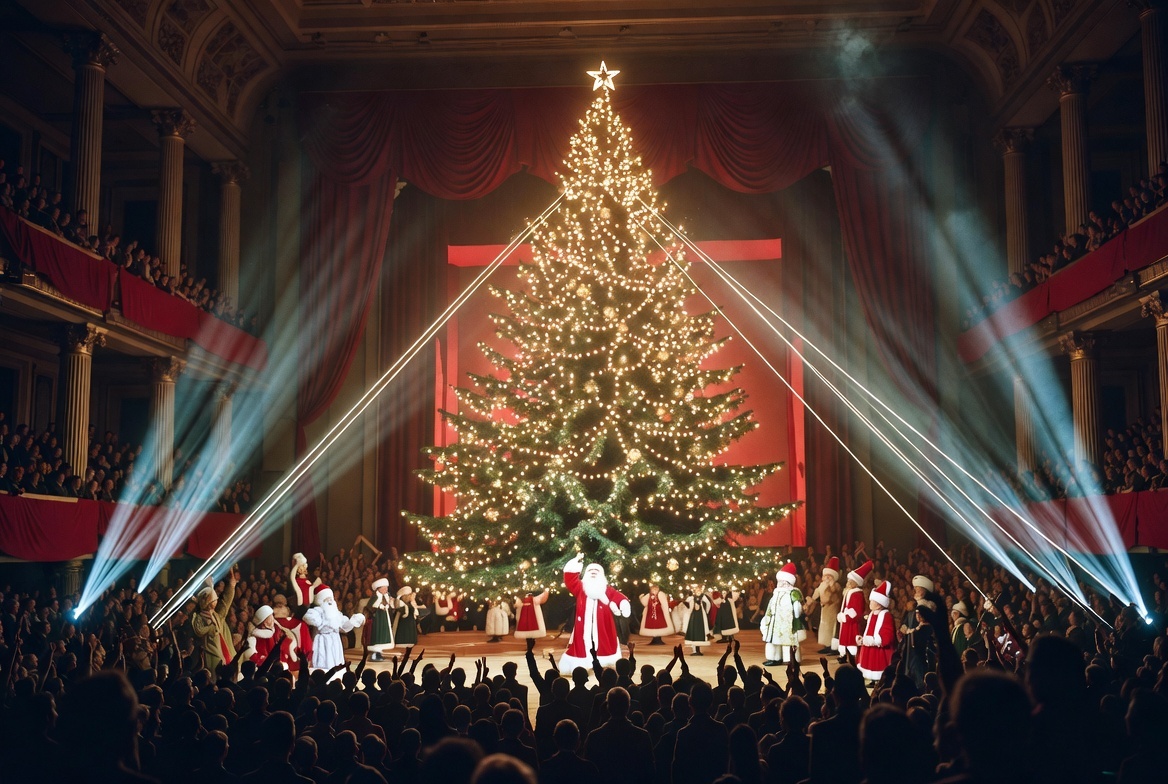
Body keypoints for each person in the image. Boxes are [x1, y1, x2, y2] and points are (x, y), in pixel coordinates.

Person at [557, 553, 631, 673]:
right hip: (583, 626)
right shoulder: (580, 588)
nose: (593, 572)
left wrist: (623, 603)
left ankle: (604, 661)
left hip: (603, 625)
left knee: (603, 643)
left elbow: (617, 596)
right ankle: (582, 662)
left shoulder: (606, 589)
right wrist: (576, 562)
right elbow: (570, 579)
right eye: (590, 570)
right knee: (582, 643)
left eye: (596, 571)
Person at [303, 587, 365, 673]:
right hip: (323, 641)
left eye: (331, 598)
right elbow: (311, 620)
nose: (330, 601)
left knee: (336, 664)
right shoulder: (316, 611)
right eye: (327, 599)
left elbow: (343, 626)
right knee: (323, 663)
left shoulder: (336, 613)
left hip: (335, 641)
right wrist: (327, 622)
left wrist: (354, 621)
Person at [192, 568, 237, 675]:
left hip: (223, 649)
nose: (215, 602)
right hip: (210, 652)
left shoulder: (217, 615)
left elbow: (226, 602)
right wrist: (210, 627)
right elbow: (199, 631)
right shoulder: (199, 617)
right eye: (213, 600)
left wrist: (231, 585)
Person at [760, 563, 805, 666]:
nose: (781, 584)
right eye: (780, 581)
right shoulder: (776, 594)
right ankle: (774, 658)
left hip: (788, 623)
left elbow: (797, 605)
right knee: (773, 641)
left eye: (783, 582)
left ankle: (791, 659)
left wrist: (797, 610)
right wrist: (766, 619)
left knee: (788, 641)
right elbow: (770, 607)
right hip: (775, 623)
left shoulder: (793, 593)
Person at [856, 580, 895, 683]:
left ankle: (879, 680)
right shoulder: (872, 614)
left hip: (879, 648)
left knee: (879, 665)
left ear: (879, 604)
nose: (870, 603)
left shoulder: (886, 616)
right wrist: (863, 638)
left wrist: (873, 640)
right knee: (869, 663)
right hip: (869, 646)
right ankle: (873, 680)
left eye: (872, 601)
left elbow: (887, 635)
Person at [836, 559, 872, 664]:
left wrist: (846, 616)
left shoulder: (857, 594)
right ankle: (843, 654)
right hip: (846, 620)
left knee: (851, 639)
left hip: (851, 621)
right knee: (844, 638)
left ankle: (853, 656)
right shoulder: (849, 592)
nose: (848, 583)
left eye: (850, 581)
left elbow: (856, 610)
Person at [805, 556, 842, 654]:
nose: (827, 578)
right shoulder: (822, 585)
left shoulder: (835, 585)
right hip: (824, 609)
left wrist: (831, 585)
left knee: (831, 628)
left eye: (830, 576)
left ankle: (833, 647)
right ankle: (827, 644)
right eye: (826, 576)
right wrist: (810, 601)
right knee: (824, 627)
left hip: (833, 609)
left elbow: (834, 593)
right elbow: (816, 594)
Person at [272, 593, 312, 669]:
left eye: (281, 605)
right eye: (278, 605)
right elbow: (307, 647)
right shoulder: (301, 625)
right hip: (295, 666)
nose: (279, 606)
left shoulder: (269, 623)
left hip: (278, 664)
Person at [367, 578, 395, 660]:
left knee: (383, 635)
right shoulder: (375, 597)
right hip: (377, 620)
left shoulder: (386, 597)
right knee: (378, 635)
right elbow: (370, 607)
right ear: (379, 588)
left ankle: (379, 653)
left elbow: (390, 608)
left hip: (384, 619)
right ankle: (375, 654)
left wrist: (390, 604)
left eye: (387, 587)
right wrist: (379, 606)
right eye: (384, 587)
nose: (386, 589)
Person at [681, 584, 712, 656]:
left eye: (699, 590)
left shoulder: (703, 597)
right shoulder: (692, 598)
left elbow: (708, 603)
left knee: (700, 630)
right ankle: (695, 650)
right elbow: (686, 603)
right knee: (694, 630)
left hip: (701, 616)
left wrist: (706, 611)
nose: (698, 591)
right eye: (697, 590)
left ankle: (698, 649)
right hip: (694, 616)